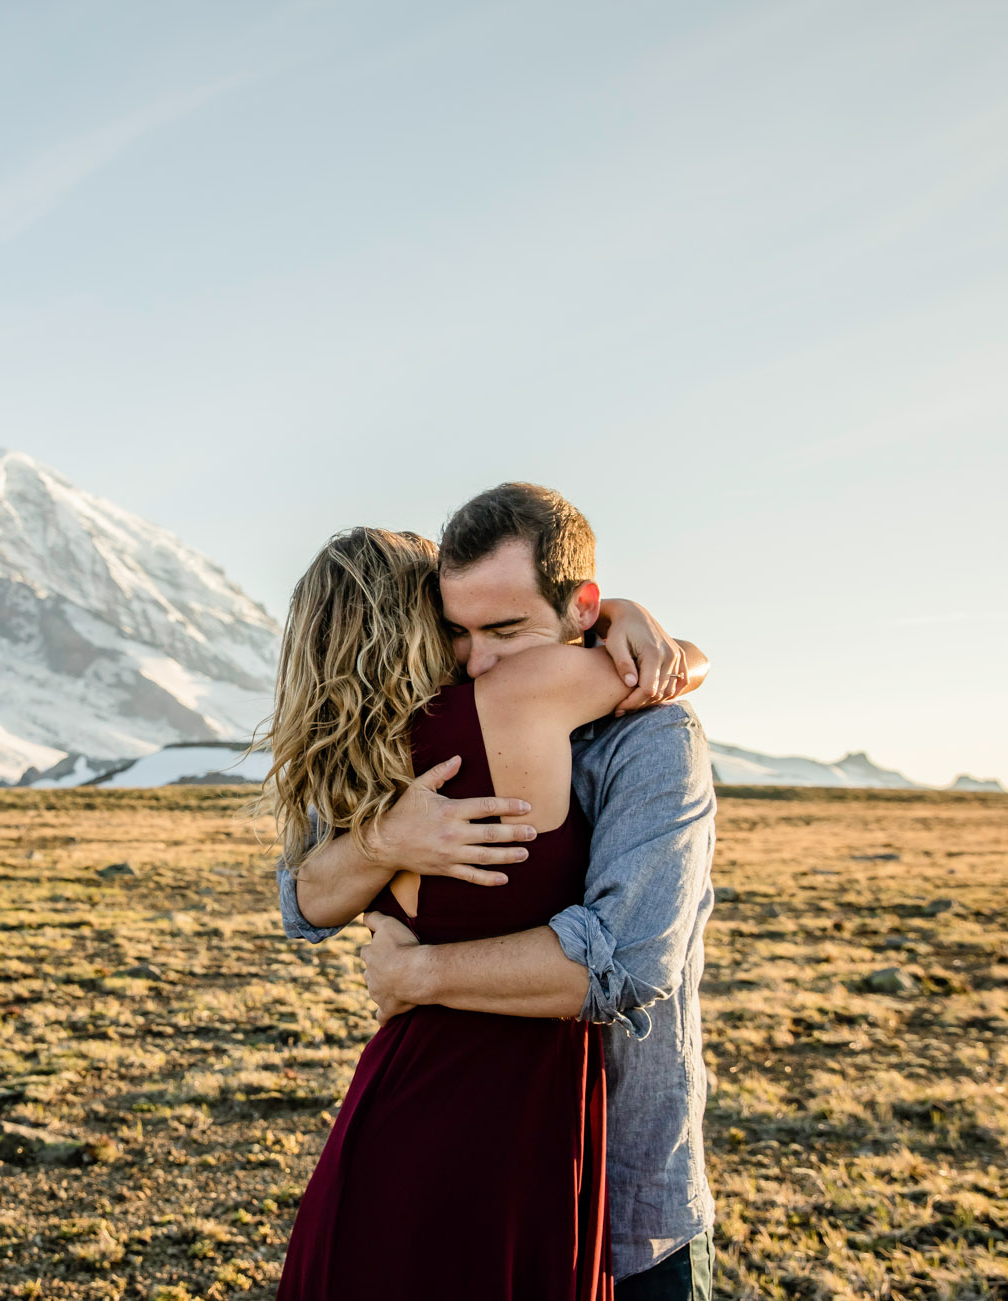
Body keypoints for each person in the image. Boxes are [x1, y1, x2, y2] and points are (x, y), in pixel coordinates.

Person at [276, 483, 719, 1301]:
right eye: (457, 630)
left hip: (628, 1180)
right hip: (492, 1140)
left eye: (505, 630)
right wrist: (385, 838)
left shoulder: (652, 734)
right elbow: (298, 901)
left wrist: (418, 974)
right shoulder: (413, 740)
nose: (477, 659)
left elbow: (623, 964)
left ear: (581, 611)